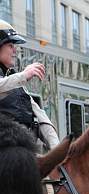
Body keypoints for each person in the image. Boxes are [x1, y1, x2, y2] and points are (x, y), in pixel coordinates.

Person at [0, 20, 59, 153]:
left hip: (24, 153)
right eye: (10, 45)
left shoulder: (15, 82)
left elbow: (41, 117)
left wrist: (57, 150)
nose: (15, 50)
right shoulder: (16, 80)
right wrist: (24, 75)